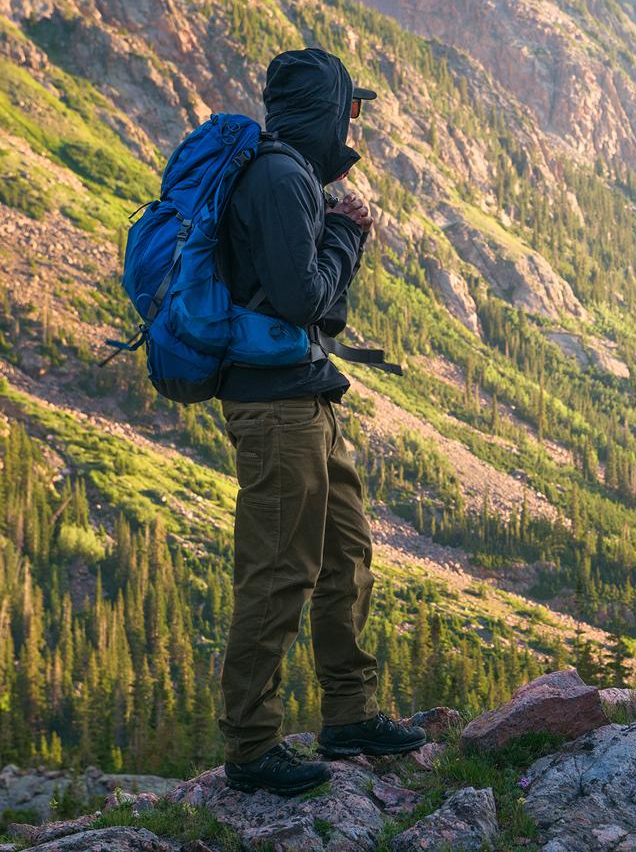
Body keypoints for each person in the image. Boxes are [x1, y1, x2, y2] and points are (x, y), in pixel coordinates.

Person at [215, 47, 425, 796]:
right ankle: (251, 747)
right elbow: (312, 301)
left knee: (346, 556)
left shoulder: (294, 178)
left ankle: (349, 714)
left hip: (304, 395)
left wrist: (336, 226)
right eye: (351, 108)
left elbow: (305, 305)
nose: (355, 121)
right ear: (328, 111)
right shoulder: (278, 179)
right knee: (278, 574)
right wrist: (348, 235)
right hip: (275, 410)